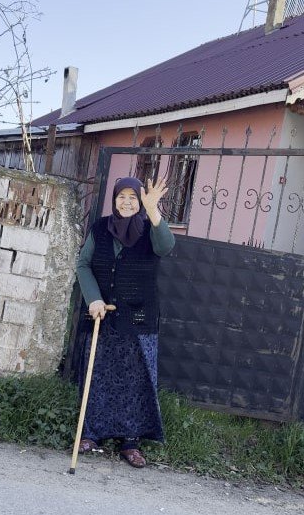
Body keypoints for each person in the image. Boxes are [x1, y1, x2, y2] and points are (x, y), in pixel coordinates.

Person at [75, 176, 175, 468]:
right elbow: (84, 264)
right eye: (122, 196)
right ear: (114, 199)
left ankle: (131, 442)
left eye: (134, 197)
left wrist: (153, 209)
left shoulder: (149, 229)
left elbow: (166, 247)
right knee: (98, 375)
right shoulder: (100, 228)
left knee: (135, 380)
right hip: (102, 315)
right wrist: (93, 298)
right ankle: (92, 433)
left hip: (140, 318)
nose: (128, 202)